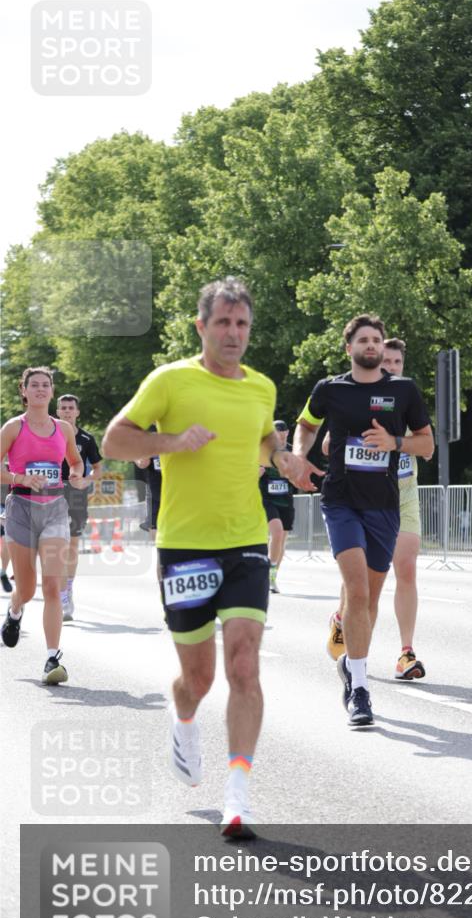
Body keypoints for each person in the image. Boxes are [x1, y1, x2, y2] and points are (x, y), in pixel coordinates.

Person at [102, 277, 316, 836]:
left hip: (245, 540)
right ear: (202, 326)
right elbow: (113, 440)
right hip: (185, 547)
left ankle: (237, 794)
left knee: (244, 664)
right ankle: (186, 717)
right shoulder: (170, 381)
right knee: (196, 679)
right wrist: (170, 443)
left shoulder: (262, 387)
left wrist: (284, 459)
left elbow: (262, 440)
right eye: (222, 322)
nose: (233, 333)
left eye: (242, 323)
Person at [294, 314, 433, 727]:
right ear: (349, 347)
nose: (371, 345)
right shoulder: (329, 389)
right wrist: (301, 457)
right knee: (355, 592)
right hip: (340, 501)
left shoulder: (403, 391)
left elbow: (426, 444)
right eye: (364, 340)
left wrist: (395, 442)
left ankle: (350, 664)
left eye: (376, 339)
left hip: (385, 506)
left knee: (370, 600)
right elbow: (305, 424)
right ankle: (360, 688)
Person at [325, 337, 433, 680]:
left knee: (407, 568)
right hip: (362, 497)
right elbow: (328, 445)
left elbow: (428, 448)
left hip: (403, 493)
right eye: (385, 361)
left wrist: (399, 442)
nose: (391, 367)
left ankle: (406, 652)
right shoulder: (355, 399)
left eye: (397, 362)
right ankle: (345, 620)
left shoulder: (406, 398)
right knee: (364, 583)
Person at [0, 367, 84, 684]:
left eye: (44, 385)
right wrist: (19, 477)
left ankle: (52, 658)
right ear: (24, 391)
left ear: (51, 391)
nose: (39, 389)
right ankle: (15, 611)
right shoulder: (13, 428)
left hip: (54, 509)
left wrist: (75, 473)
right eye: (33, 385)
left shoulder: (63, 429)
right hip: (21, 507)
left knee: (52, 586)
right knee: (26, 587)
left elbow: (75, 461)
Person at [56, 394, 103, 620]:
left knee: (72, 544)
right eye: (63, 407)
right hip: (50, 494)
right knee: (54, 543)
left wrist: (86, 480)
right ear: (57, 411)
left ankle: (67, 591)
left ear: (77, 412)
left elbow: (98, 469)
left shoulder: (86, 438)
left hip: (76, 495)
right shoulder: (49, 434)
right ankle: (57, 586)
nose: (66, 411)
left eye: (70, 408)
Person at [259, 419, 295, 593]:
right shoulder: (263, 449)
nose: (281, 434)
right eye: (277, 431)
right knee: (277, 533)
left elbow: (297, 474)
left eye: (283, 431)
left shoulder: (291, 451)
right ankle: (266, 571)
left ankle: (272, 576)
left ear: (287, 433)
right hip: (267, 499)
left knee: (282, 540)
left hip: (285, 500)